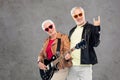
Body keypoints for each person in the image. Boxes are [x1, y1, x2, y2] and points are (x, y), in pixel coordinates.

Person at [66, 7, 101, 80]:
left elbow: (95, 43)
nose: (78, 17)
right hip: (71, 65)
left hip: (85, 66)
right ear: (73, 17)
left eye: (80, 14)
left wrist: (97, 28)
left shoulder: (91, 27)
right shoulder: (72, 30)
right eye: (75, 16)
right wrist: (67, 54)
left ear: (84, 14)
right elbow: (69, 46)